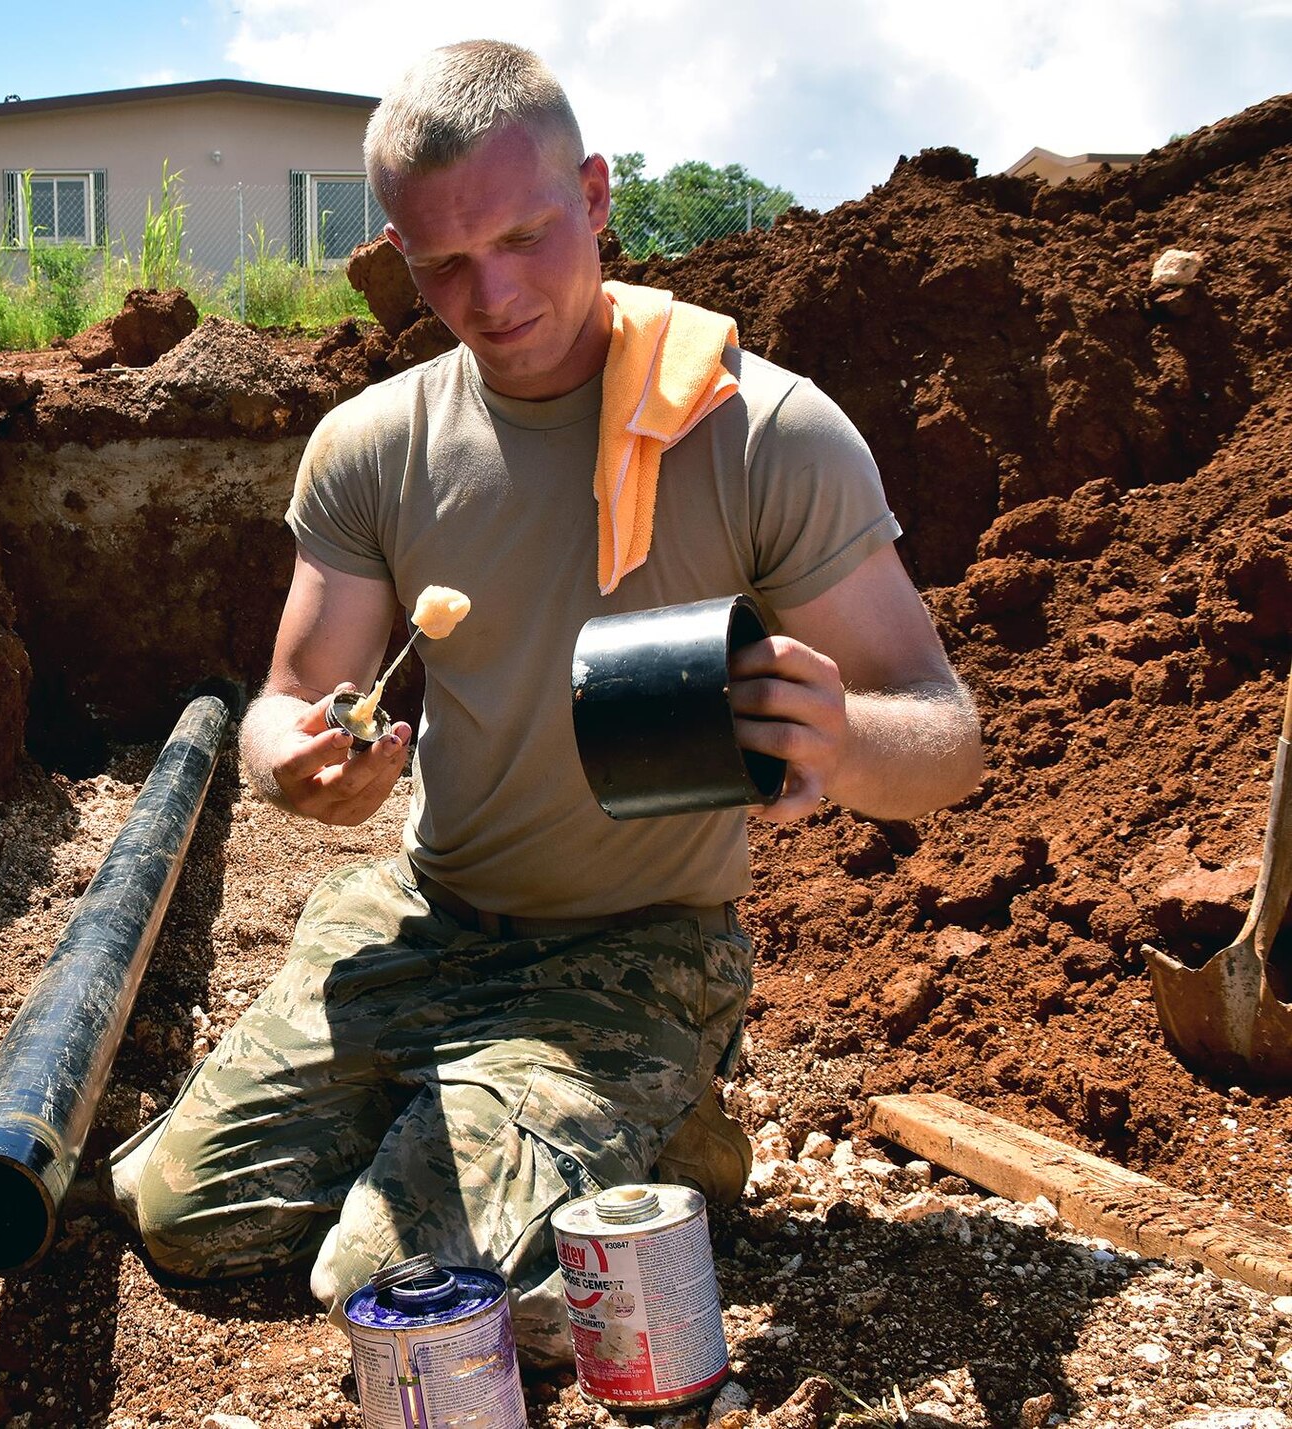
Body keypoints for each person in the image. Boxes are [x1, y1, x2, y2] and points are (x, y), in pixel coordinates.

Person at [108, 39, 982, 1359]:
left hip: (638, 942)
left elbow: (947, 732)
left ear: (595, 194)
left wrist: (846, 735)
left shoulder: (762, 432)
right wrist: (301, 763)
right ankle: (502, 1106)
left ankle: (652, 1112)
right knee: (184, 1216)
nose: (495, 295)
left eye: (525, 236)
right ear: (399, 251)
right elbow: (286, 701)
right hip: (433, 916)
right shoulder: (375, 448)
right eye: (447, 264)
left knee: (394, 1281)